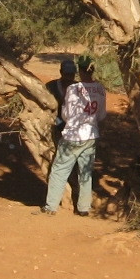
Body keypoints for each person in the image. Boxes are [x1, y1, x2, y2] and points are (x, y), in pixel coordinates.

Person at [42, 56, 106, 215]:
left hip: (73, 135)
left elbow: (66, 115)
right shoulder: (100, 88)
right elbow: (102, 115)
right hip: (91, 135)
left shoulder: (73, 89)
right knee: (85, 172)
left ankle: (51, 207)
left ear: (80, 70)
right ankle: (84, 208)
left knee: (59, 170)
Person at [44, 57, 77, 141]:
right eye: (67, 74)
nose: (69, 78)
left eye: (72, 75)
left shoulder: (79, 87)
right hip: (56, 121)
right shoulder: (51, 86)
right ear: (61, 72)